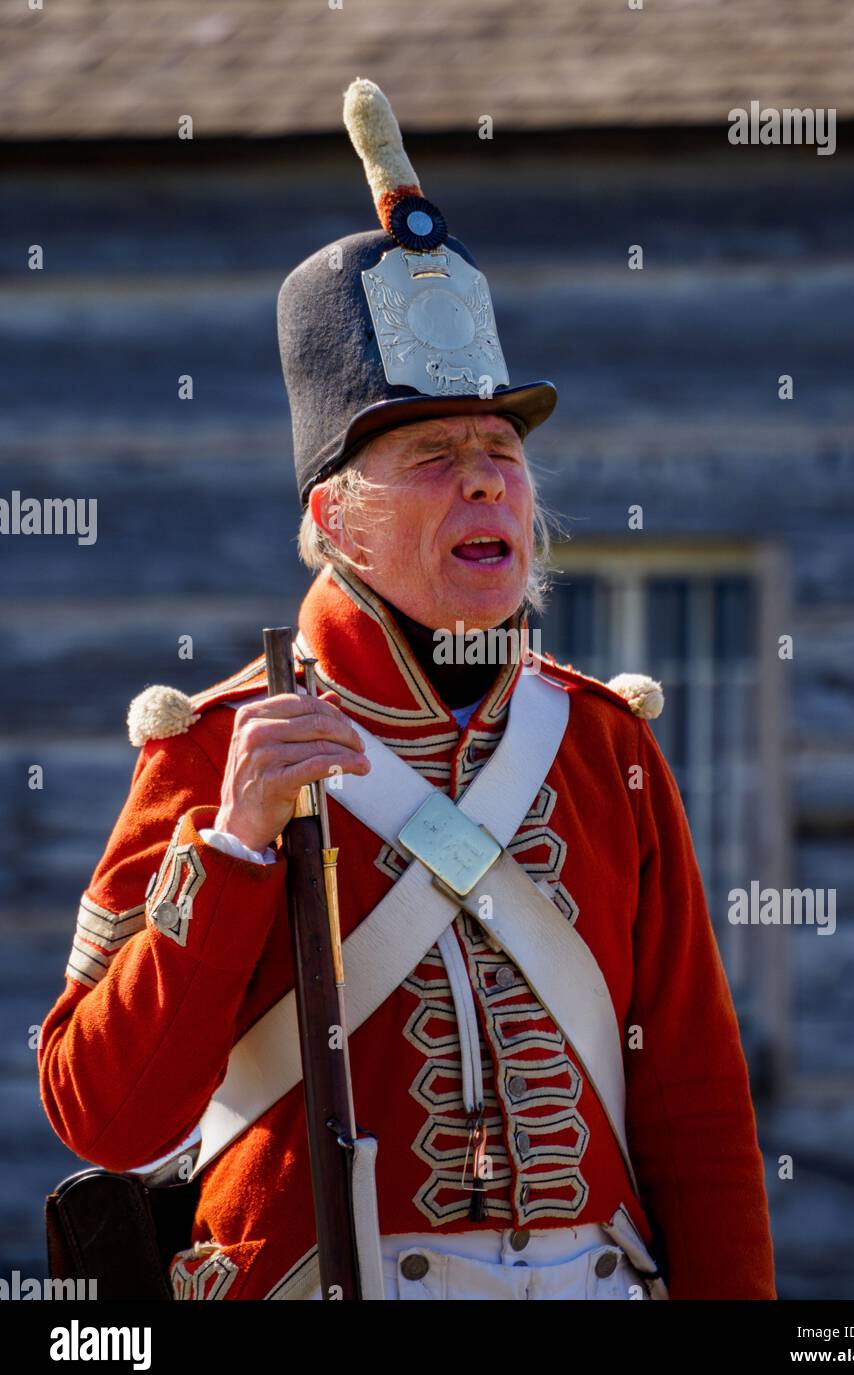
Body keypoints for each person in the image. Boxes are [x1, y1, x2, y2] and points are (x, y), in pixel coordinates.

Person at [37, 78, 775, 1301]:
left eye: (505, 455)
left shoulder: (605, 746)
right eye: (433, 456)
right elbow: (104, 1113)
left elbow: (697, 1102)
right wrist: (231, 846)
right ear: (337, 518)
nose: (486, 485)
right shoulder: (215, 746)